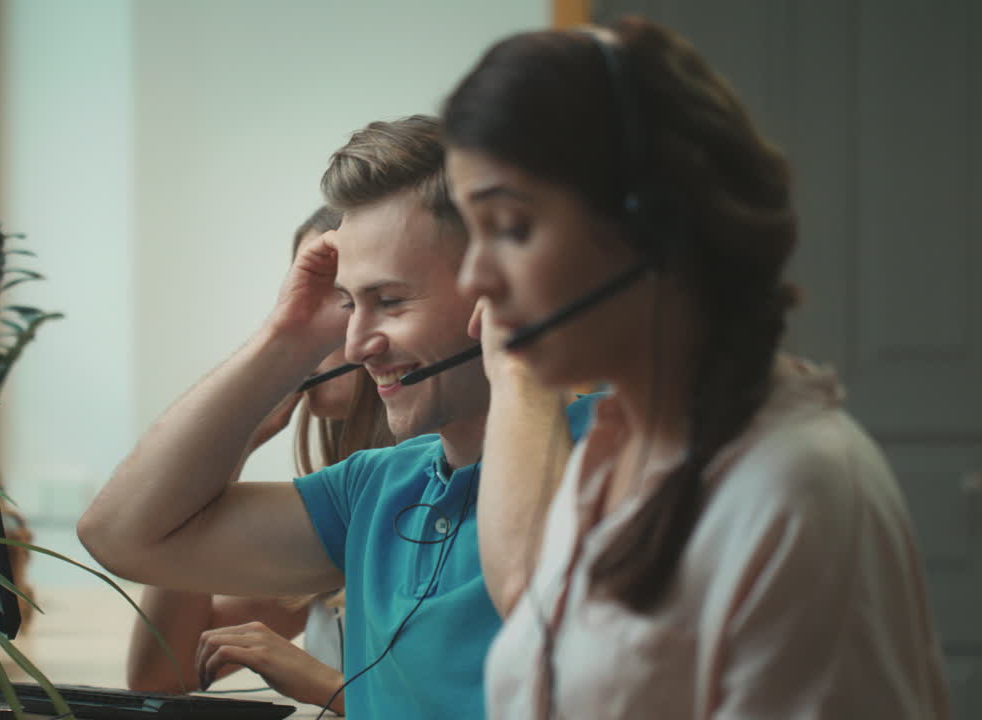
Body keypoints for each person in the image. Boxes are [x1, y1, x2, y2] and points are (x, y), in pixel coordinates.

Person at [441, 17, 951, 718]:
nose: (473, 278)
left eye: (510, 228)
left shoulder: (798, 491)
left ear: (653, 223)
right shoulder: (608, 454)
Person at [79, 115, 597, 719]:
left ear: (503, 288)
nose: (355, 346)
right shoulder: (374, 489)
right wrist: (286, 337)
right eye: (350, 304)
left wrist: (521, 362)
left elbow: (548, 609)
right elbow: (120, 536)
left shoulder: (629, 453)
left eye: (390, 301)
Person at [124, 207, 394, 715]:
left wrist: (325, 685)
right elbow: (162, 670)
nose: (304, 329)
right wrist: (232, 444)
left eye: (337, 298)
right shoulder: (346, 506)